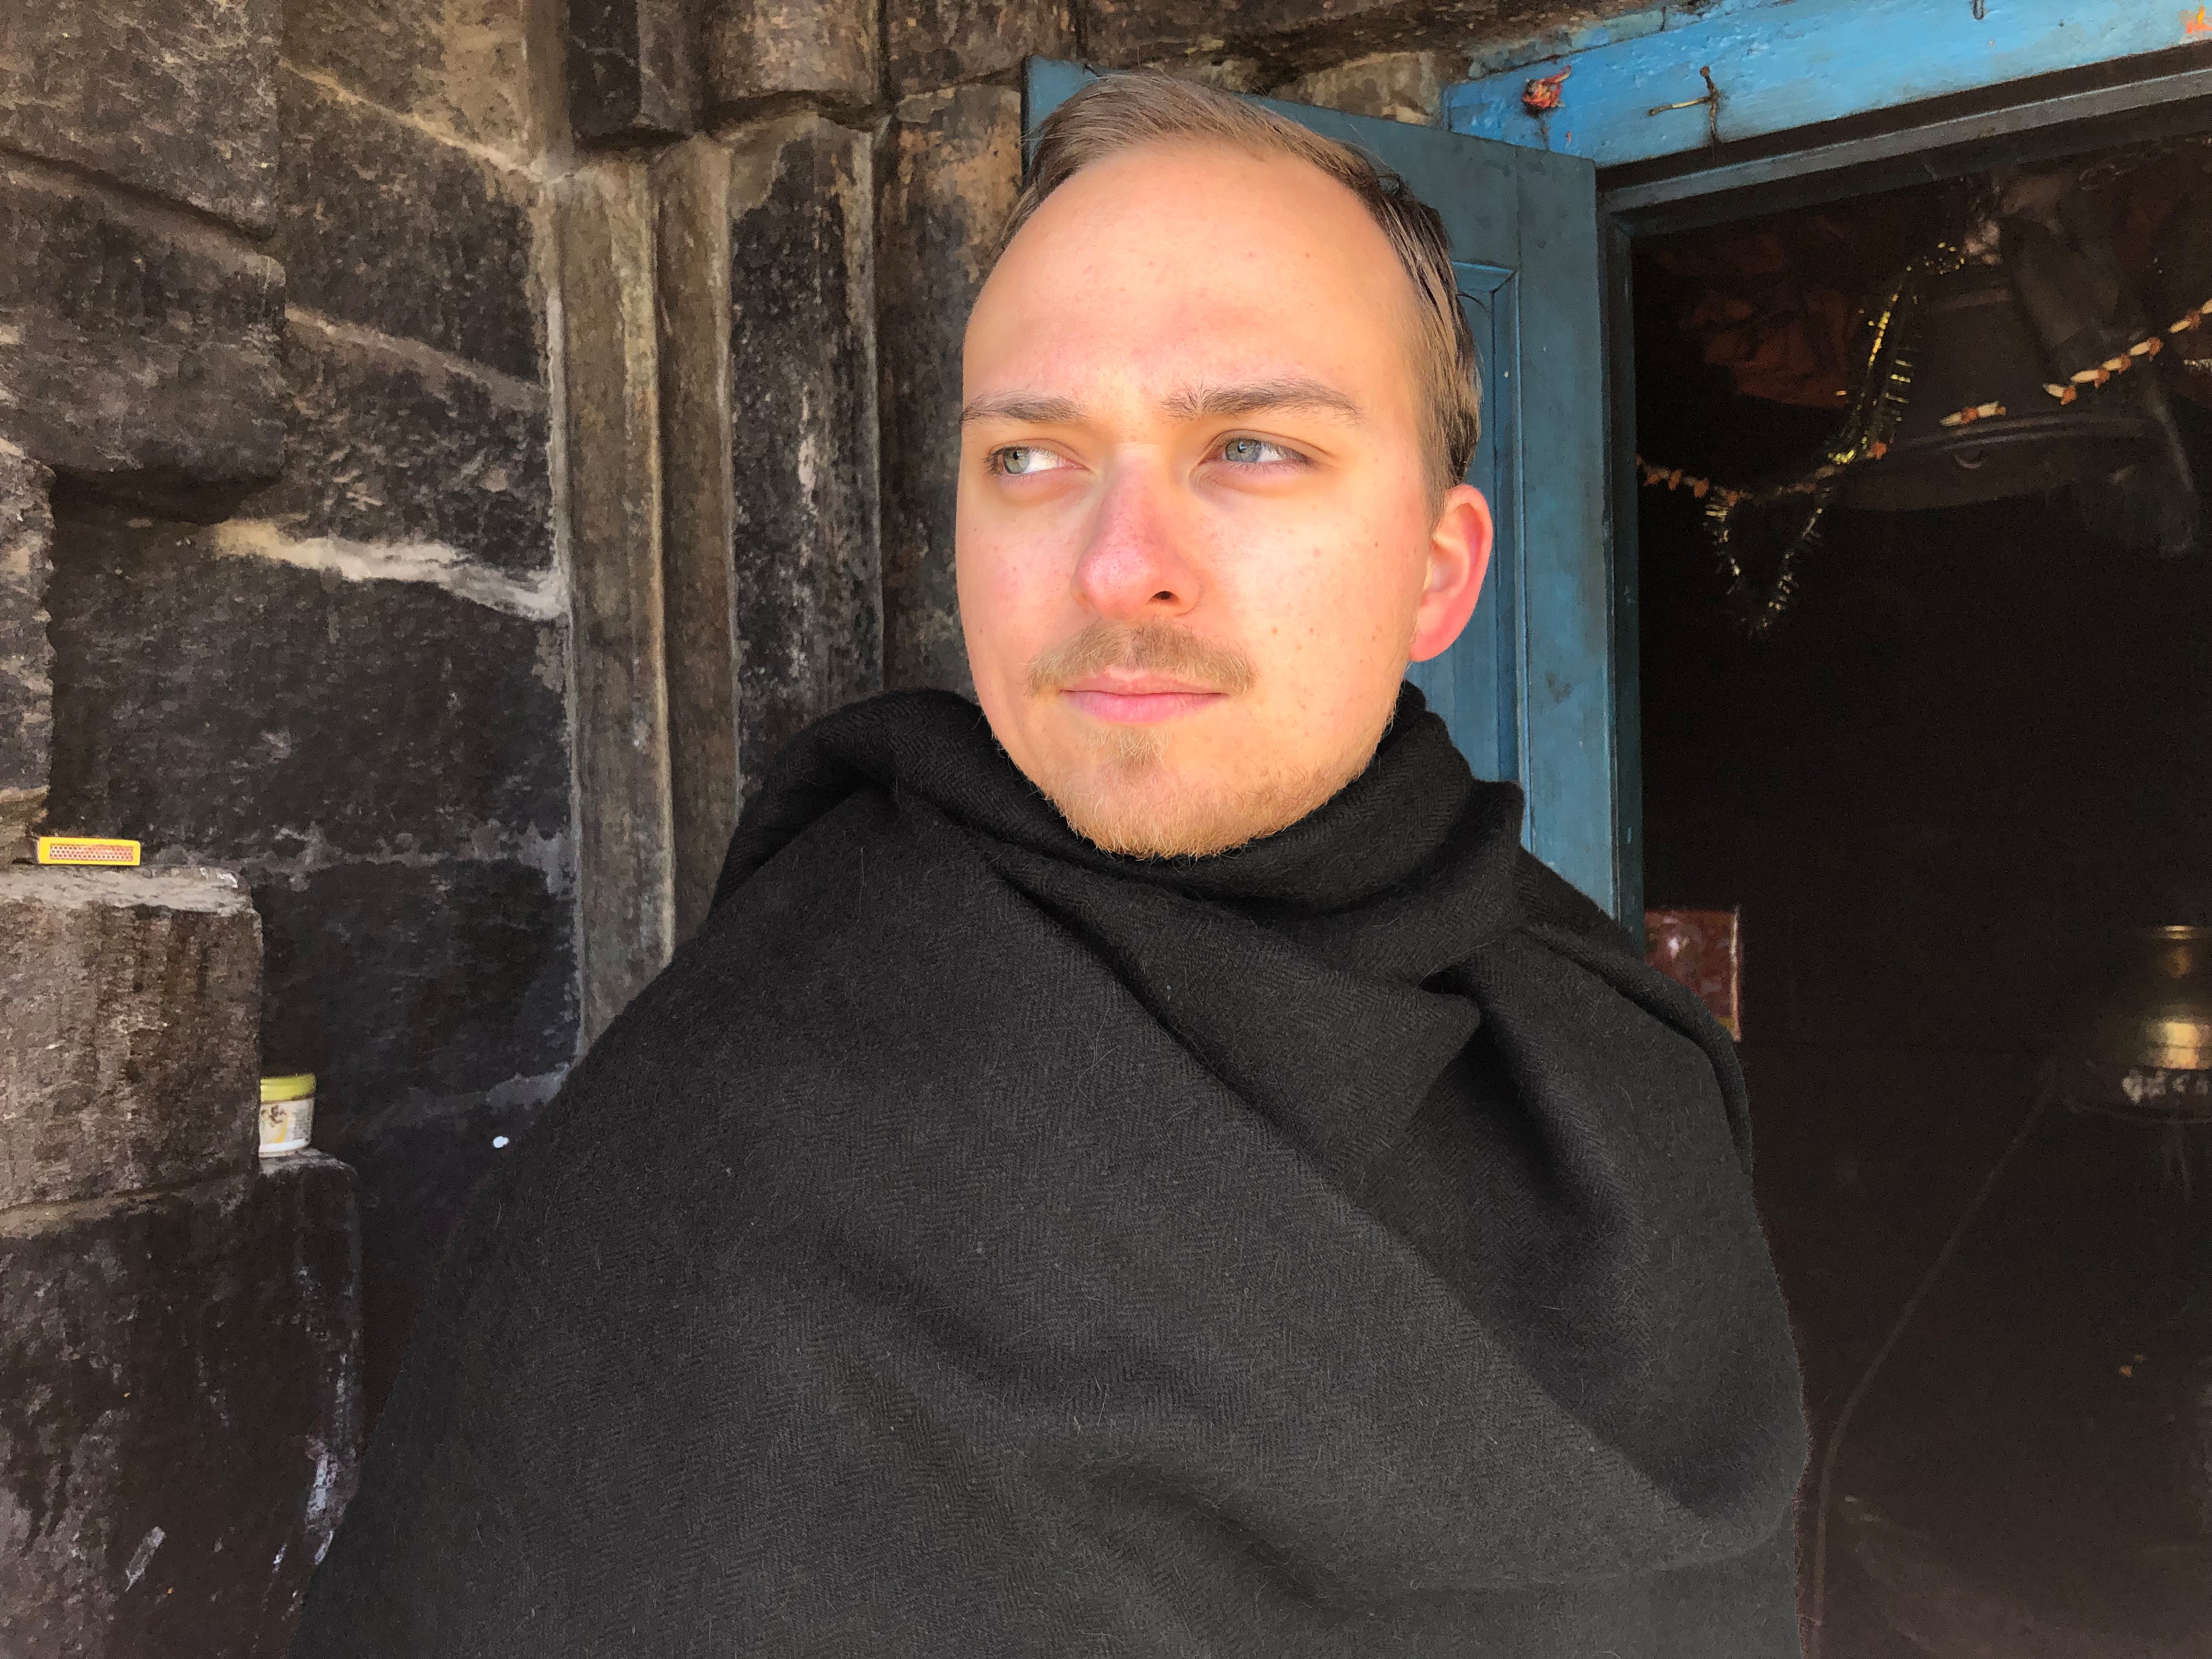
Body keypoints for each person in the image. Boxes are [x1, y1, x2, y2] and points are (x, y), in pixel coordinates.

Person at [293, 72, 1807, 1657]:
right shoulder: (738, 1133)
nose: (1117, 564)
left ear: (1438, 576)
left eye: (1254, 448)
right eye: (1029, 457)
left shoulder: (1620, 1072)